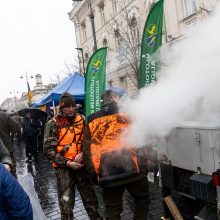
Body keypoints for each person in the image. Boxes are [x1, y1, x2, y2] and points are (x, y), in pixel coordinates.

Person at [84, 90, 150, 220]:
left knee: (112, 209)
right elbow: (142, 137)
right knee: (142, 199)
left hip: (107, 173)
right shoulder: (129, 114)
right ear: (115, 98)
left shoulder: (91, 119)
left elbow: (87, 150)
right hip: (133, 169)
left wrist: (93, 173)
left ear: (103, 102)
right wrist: (147, 162)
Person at [43, 92, 101, 220]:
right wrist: (67, 163)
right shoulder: (53, 124)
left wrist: (83, 154)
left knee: (91, 201)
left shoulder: (82, 119)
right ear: (61, 107)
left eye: (73, 106)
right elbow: (48, 151)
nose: (71, 109)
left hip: (82, 167)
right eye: (67, 107)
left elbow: (90, 141)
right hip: (64, 169)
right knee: (66, 205)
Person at [0, 110, 21, 176]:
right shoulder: (5, 115)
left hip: (5, 153)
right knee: (11, 176)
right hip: (6, 151)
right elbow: (17, 128)